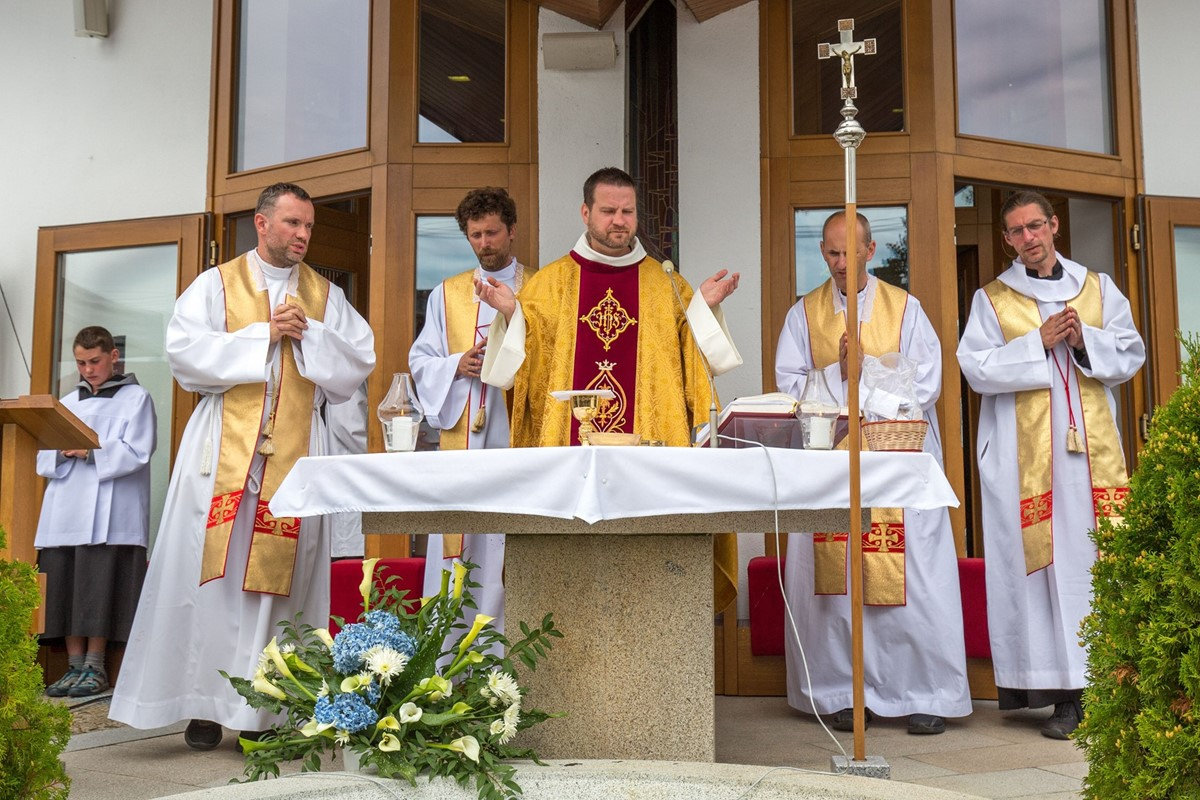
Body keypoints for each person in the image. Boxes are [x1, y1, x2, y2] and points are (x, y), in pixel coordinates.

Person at [109, 182, 375, 750]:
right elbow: (184, 354)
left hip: (296, 457)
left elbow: (359, 361)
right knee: (212, 578)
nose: (302, 235)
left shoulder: (325, 296)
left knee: (281, 586)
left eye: (308, 226)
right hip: (221, 455)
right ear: (261, 222)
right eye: (292, 223)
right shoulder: (216, 284)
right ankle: (204, 704)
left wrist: (309, 336)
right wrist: (263, 335)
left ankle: (267, 713)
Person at [476, 166, 743, 608]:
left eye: (627, 211)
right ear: (586, 213)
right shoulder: (551, 283)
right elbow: (521, 374)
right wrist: (513, 316)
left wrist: (701, 309)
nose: (619, 221)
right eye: (608, 211)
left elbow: (693, 364)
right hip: (570, 467)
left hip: (649, 467)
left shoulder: (664, 282)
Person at [957, 190, 1145, 739]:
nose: (1028, 238)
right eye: (1017, 231)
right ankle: (1059, 693)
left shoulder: (1097, 288)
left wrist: (1086, 340)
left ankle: (1104, 686)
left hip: (1090, 462)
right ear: (1006, 240)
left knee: (1091, 564)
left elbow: (1130, 352)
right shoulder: (992, 299)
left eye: (1035, 226)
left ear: (1054, 225)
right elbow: (975, 369)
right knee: (1041, 571)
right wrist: (1035, 344)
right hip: (1025, 464)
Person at [775, 211, 971, 735]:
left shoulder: (906, 309)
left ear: (871, 250)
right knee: (836, 588)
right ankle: (842, 692)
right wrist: (839, 373)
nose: (841, 263)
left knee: (917, 582)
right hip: (833, 466)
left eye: (849, 252)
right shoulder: (803, 315)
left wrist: (867, 379)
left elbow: (926, 383)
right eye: (832, 253)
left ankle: (925, 694)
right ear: (823, 252)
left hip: (895, 465)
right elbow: (789, 387)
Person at [410, 187, 535, 640]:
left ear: (512, 230)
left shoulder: (539, 288)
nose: (485, 243)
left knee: (506, 540)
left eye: (493, 233)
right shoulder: (446, 294)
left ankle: (506, 660)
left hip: (513, 429)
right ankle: (450, 658)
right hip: (463, 430)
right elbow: (421, 360)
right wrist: (455, 365)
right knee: (460, 540)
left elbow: (555, 357)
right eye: (476, 235)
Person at [36, 326, 157, 698]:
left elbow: (139, 451)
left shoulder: (136, 398)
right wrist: (62, 451)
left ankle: (96, 666)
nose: (88, 370)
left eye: (94, 361)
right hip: (64, 510)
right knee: (65, 588)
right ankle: (73, 667)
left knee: (98, 588)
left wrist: (89, 452)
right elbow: (42, 456)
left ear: (113, 357)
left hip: (111, 512)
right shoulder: (66, 403)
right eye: (81, 363)